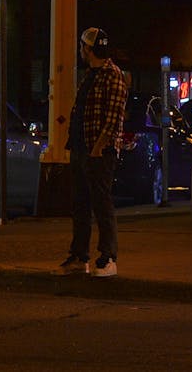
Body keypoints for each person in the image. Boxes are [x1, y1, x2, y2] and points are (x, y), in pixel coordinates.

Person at [58, 27, 130, 278]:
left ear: (88, 49)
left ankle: (108, 257)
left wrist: (98, 148)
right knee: (80, 205)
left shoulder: (113, 76)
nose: (81, 52)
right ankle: (79, 256)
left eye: (82, 47)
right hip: (81, 148)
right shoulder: (91, 75)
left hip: (99, 152)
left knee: (101, 204)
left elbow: (113, 119)